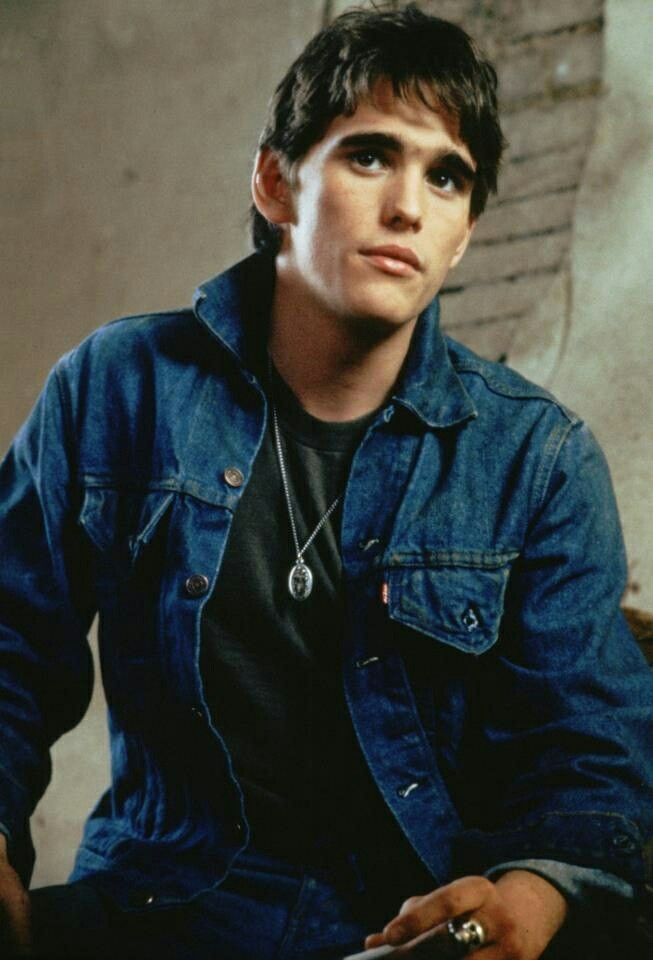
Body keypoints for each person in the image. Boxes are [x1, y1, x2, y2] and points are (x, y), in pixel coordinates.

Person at [0, 4, 651, 958]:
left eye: (446, 176)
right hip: (155, 907)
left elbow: (590, 755)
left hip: (406, 925)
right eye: (370, 156)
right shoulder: (117, 387)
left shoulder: (537, 459)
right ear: (275, 182)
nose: (408, 207)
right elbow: (9, 646)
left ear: (464, 235)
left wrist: (526, 900)